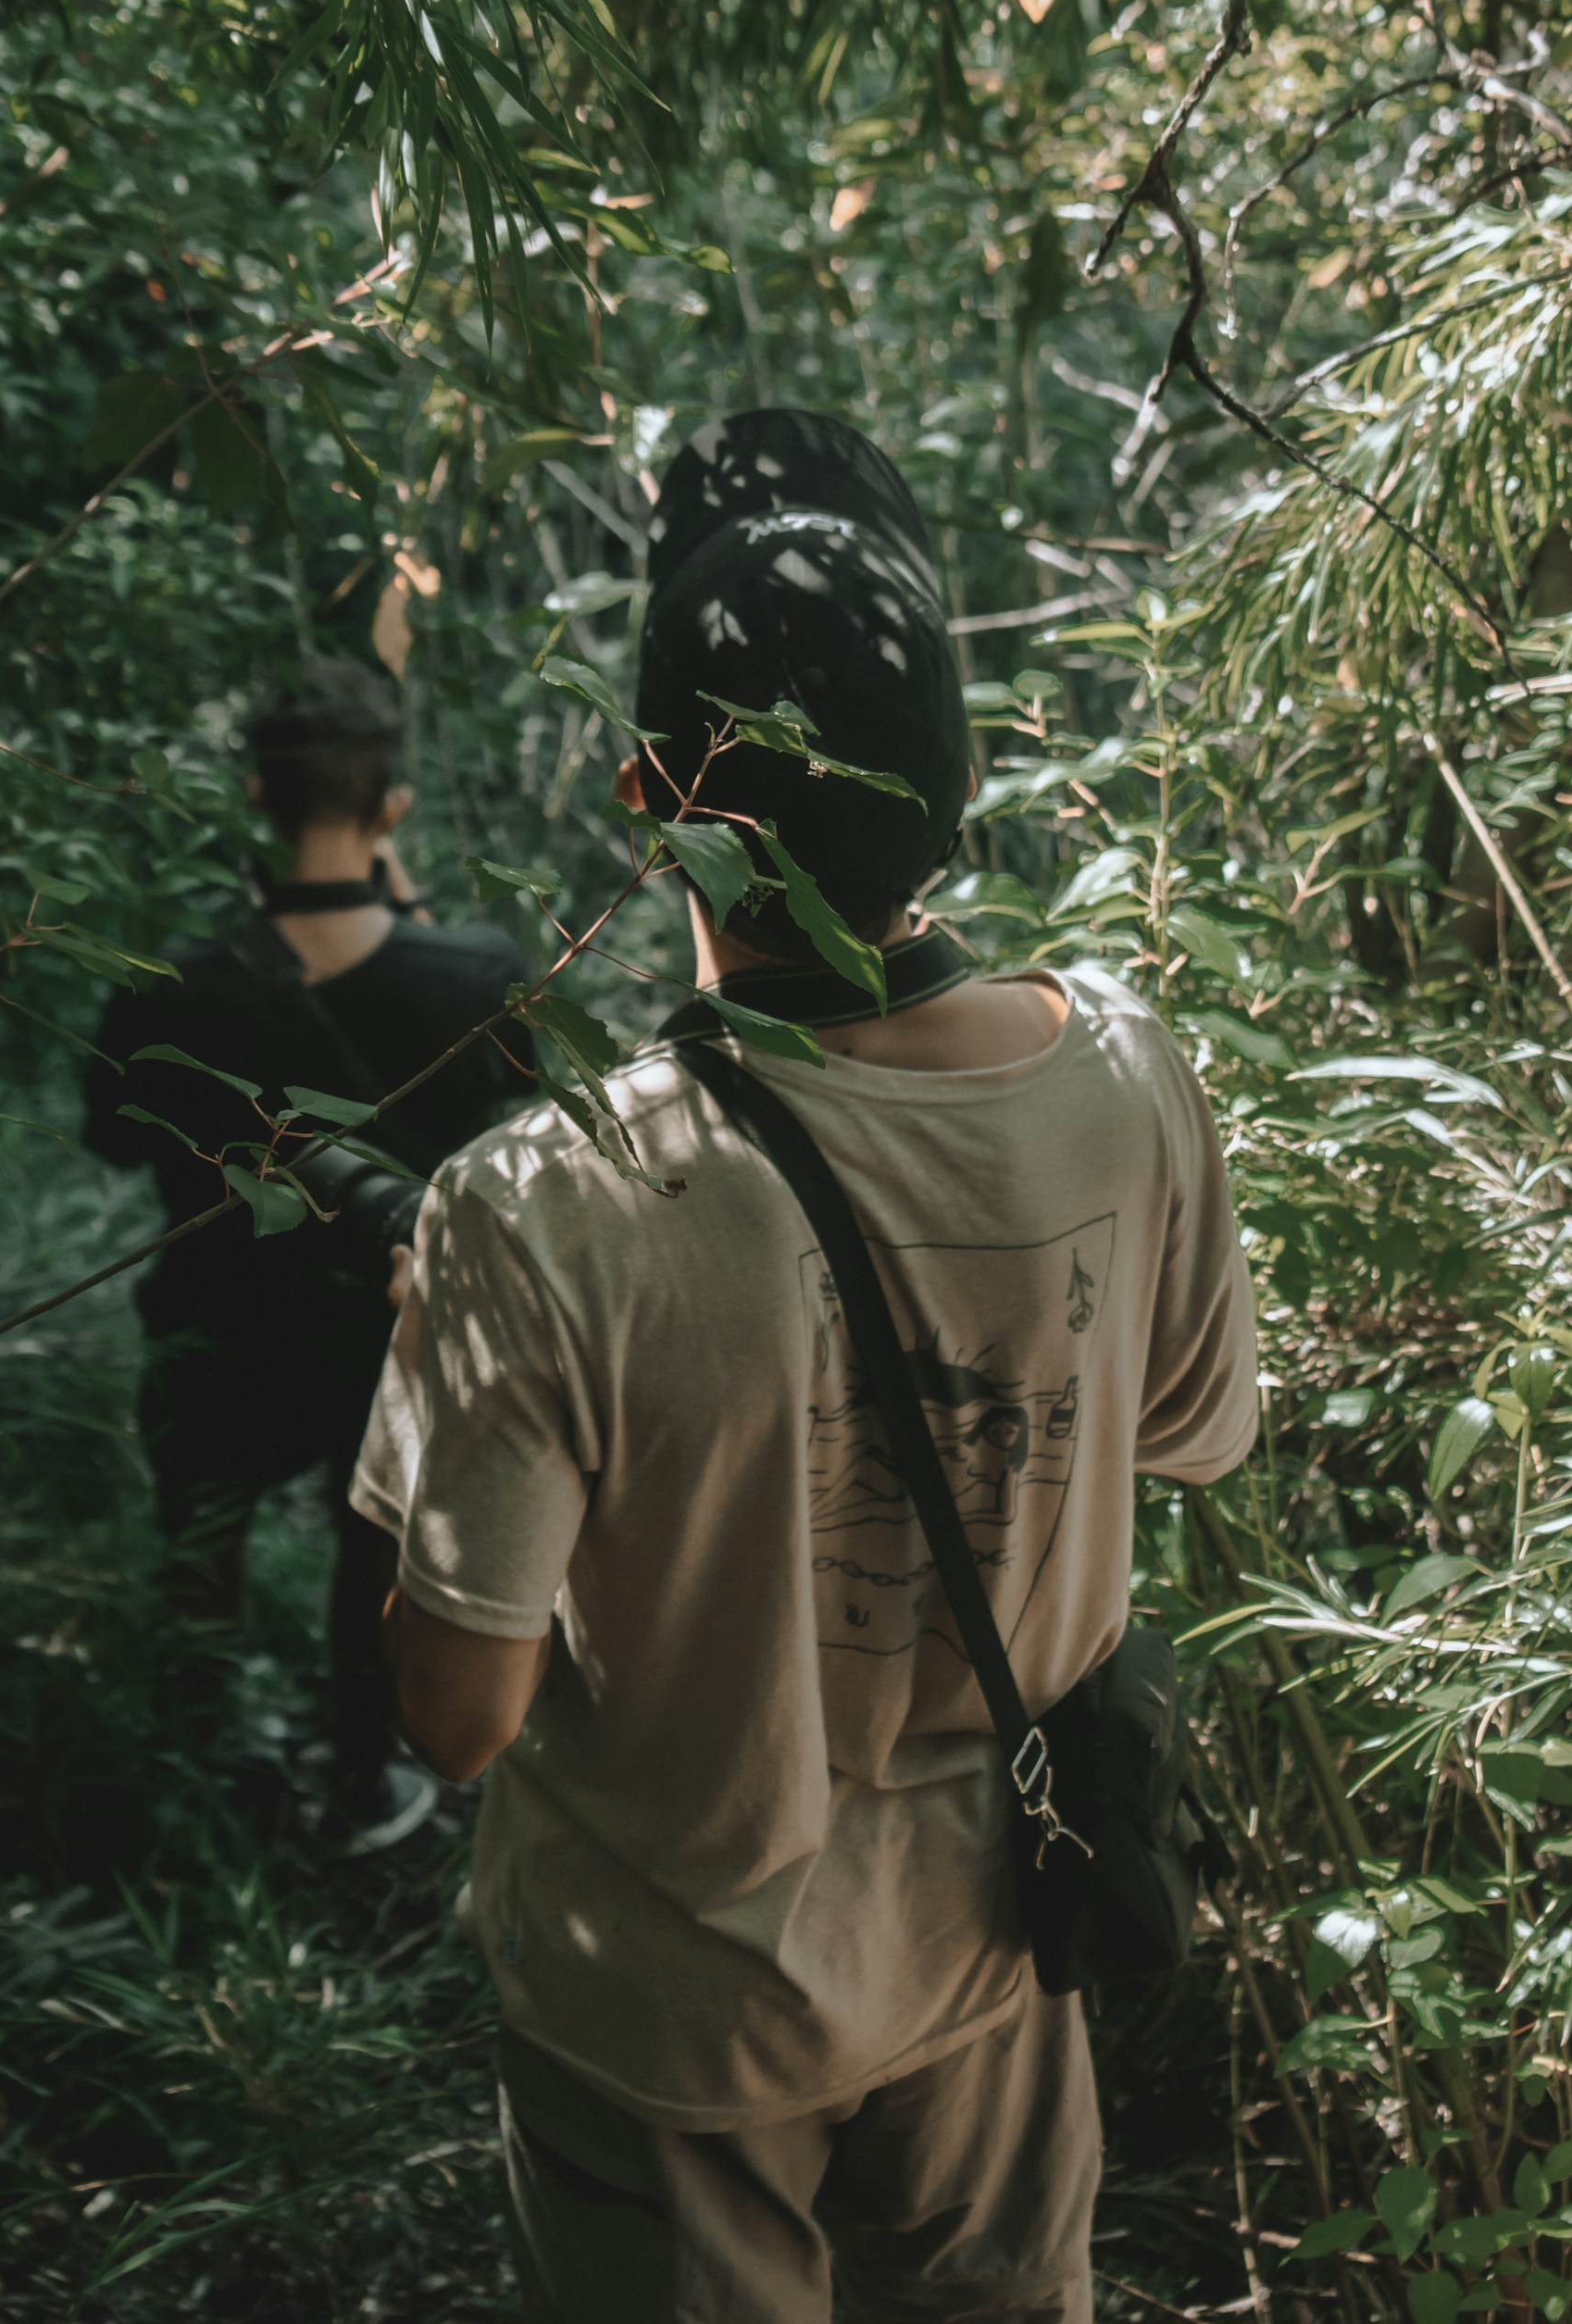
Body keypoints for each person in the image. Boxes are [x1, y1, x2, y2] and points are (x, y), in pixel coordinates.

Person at [352, 410, 1259, 2318]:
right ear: (969, 779)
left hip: (673, 2007)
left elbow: (460, 1713)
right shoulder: (1124, 1074)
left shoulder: (550, 1197)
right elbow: (1183, 1434)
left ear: (644, 793)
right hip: (1001, 1949)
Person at [85, 656, 536, 1848]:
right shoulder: (479, 976)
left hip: (212, 1333)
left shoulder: (173, 991)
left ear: (253, 796)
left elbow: (107, 1139)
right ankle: (358, 1785)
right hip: (378, 1345)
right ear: (392, 808)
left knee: (199, 1562)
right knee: (367, 1570)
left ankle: (189, 1799)